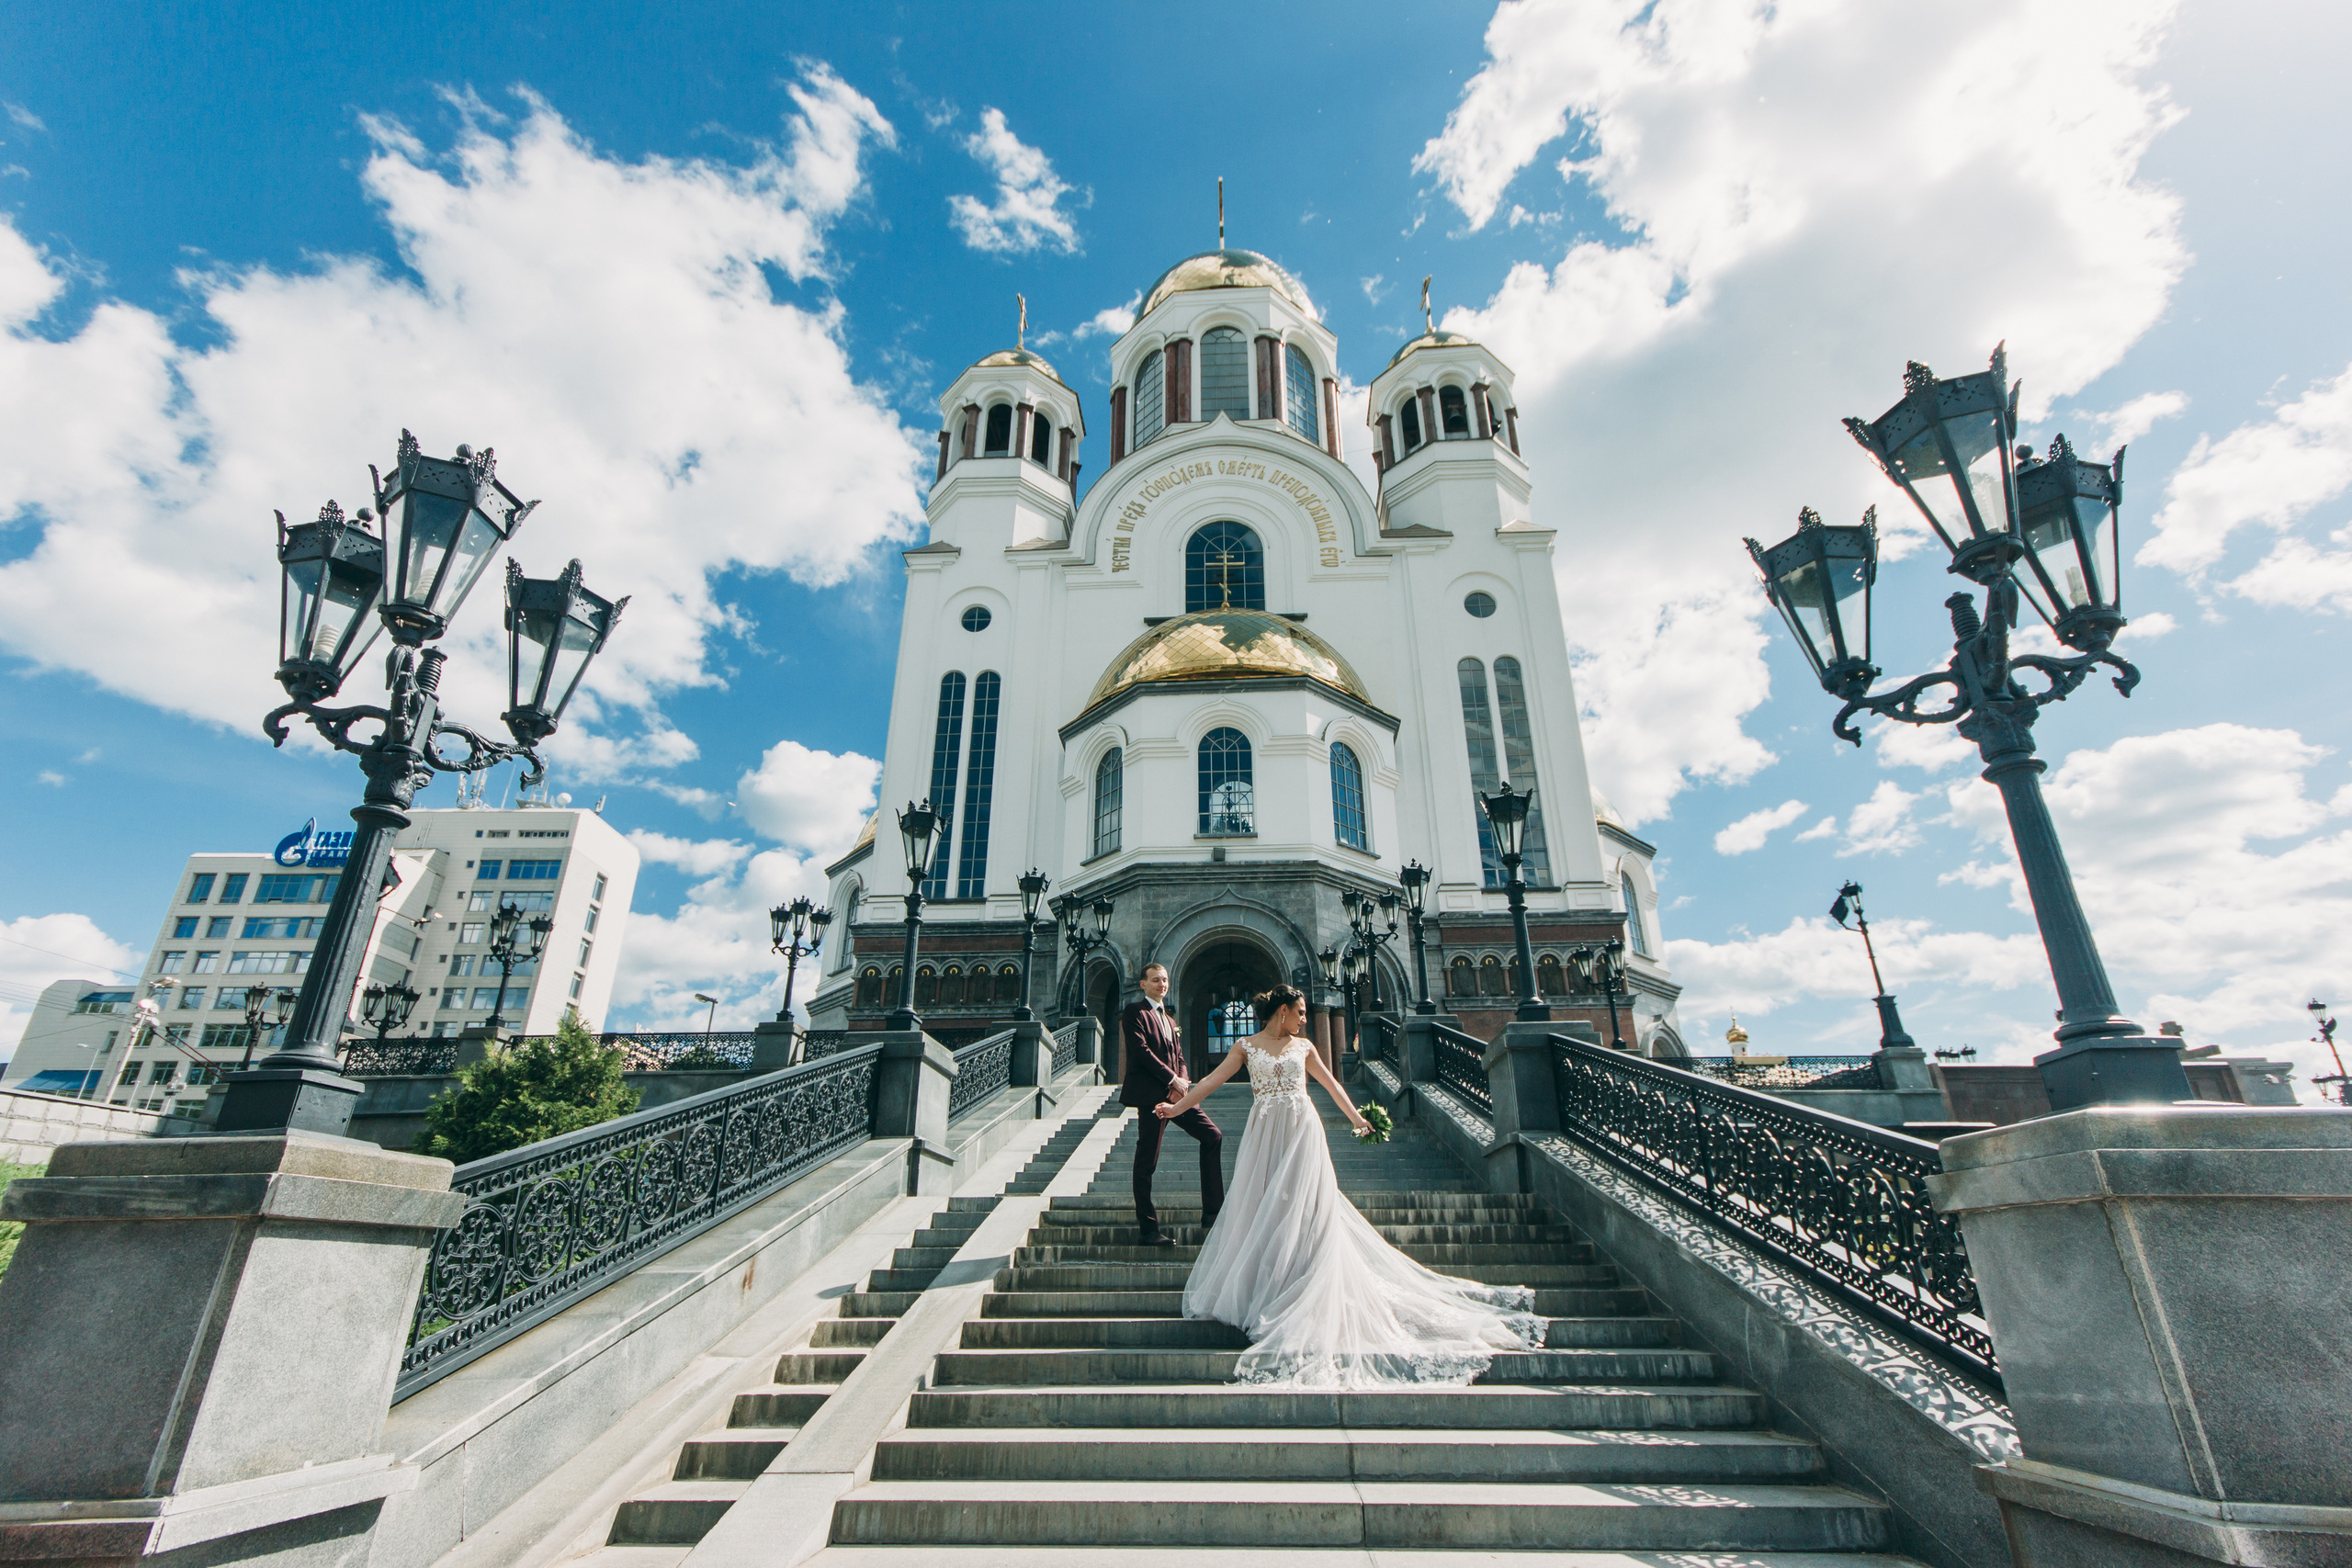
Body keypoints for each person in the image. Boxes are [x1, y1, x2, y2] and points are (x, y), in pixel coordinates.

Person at [1157, 982, 1543, 1387]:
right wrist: (1176, 1107)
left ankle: (1305, 1280)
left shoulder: (1304, 1047)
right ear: (1282, 1010)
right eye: (1301, 1011)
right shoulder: (1245, 1047)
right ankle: (1267, 1286)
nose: (1305, 1018)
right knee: (1263, 1204)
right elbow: (1211, 1082)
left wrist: (1359, 1120)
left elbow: (1332, 1085)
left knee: (1306, 1206)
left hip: (1301, 1130)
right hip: (1263, 1132)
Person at [1120, 962, 1222, 1247]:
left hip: (1178, 1096)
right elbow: (1140, 1052)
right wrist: (1170, 1080)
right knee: (1146, 1161)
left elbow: (1180, 1056)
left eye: (1164, 980)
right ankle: (1148, 1230)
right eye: (1155, 980)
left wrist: (1184, 1083)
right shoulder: (1134, 1012)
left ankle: (1213, 1213)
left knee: (1212, 1136)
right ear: (1143, 984)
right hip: (1151, 1097)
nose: (1161, 985)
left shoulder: (1171, 1021)